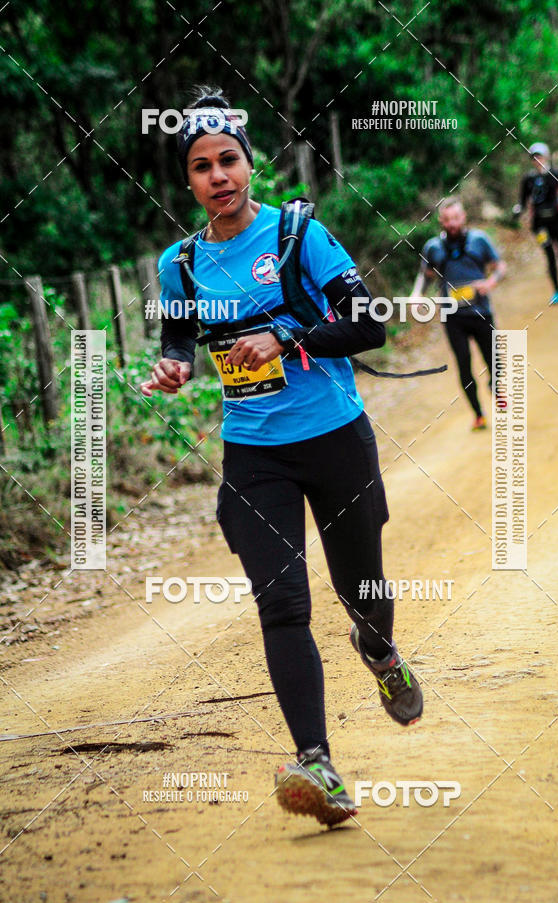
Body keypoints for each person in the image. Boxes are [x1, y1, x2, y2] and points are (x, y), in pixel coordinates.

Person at [140, 87, 423, 828]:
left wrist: (289, 338)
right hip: (255, 453)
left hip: (335, 437)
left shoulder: (299, 236)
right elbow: (178, 344)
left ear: (249, 163)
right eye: (201, 167)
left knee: (361, 588)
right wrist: (174, 369)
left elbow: (371, 325)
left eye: (228, 159)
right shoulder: (182, 266)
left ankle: (382, 651)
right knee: (283, 606)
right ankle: (317, 761)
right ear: (189, 181)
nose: (218, 176)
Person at [412, 197, 506, 431]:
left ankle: (496, 386)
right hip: (453, 316)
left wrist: (490, 283)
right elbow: (425, 275)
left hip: (482, 312)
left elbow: (499, 266)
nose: (452, 223)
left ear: (463, 218)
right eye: (446, 220)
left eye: (455, 218)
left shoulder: (480, 240)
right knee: (464, 364)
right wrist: (416, 295)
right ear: (440, 222)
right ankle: (478, 414)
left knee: (494, 361)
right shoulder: (433, 248)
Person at [513, 142, 558, 305]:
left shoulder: (555, 173)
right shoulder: (528, 179)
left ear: (546, 156)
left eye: (539, 156)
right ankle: (557, 291)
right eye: (534, 158)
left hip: (557, 220)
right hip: (540, 224)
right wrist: (517, 210)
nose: (537, 160)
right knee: (549, 255)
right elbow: (522, 201)